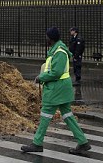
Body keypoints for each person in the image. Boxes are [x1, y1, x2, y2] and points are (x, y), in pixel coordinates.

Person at [21, 27, 90, 155]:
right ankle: (83, 142)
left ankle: (37, 143)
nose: (45, 39)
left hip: (56, 88)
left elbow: (56, 72)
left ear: (50, 38)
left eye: (47, 37)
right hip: (61, 88)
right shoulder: (57, 50)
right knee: (68, 116)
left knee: (45, 115)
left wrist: (41, 77)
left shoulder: (59, 52)